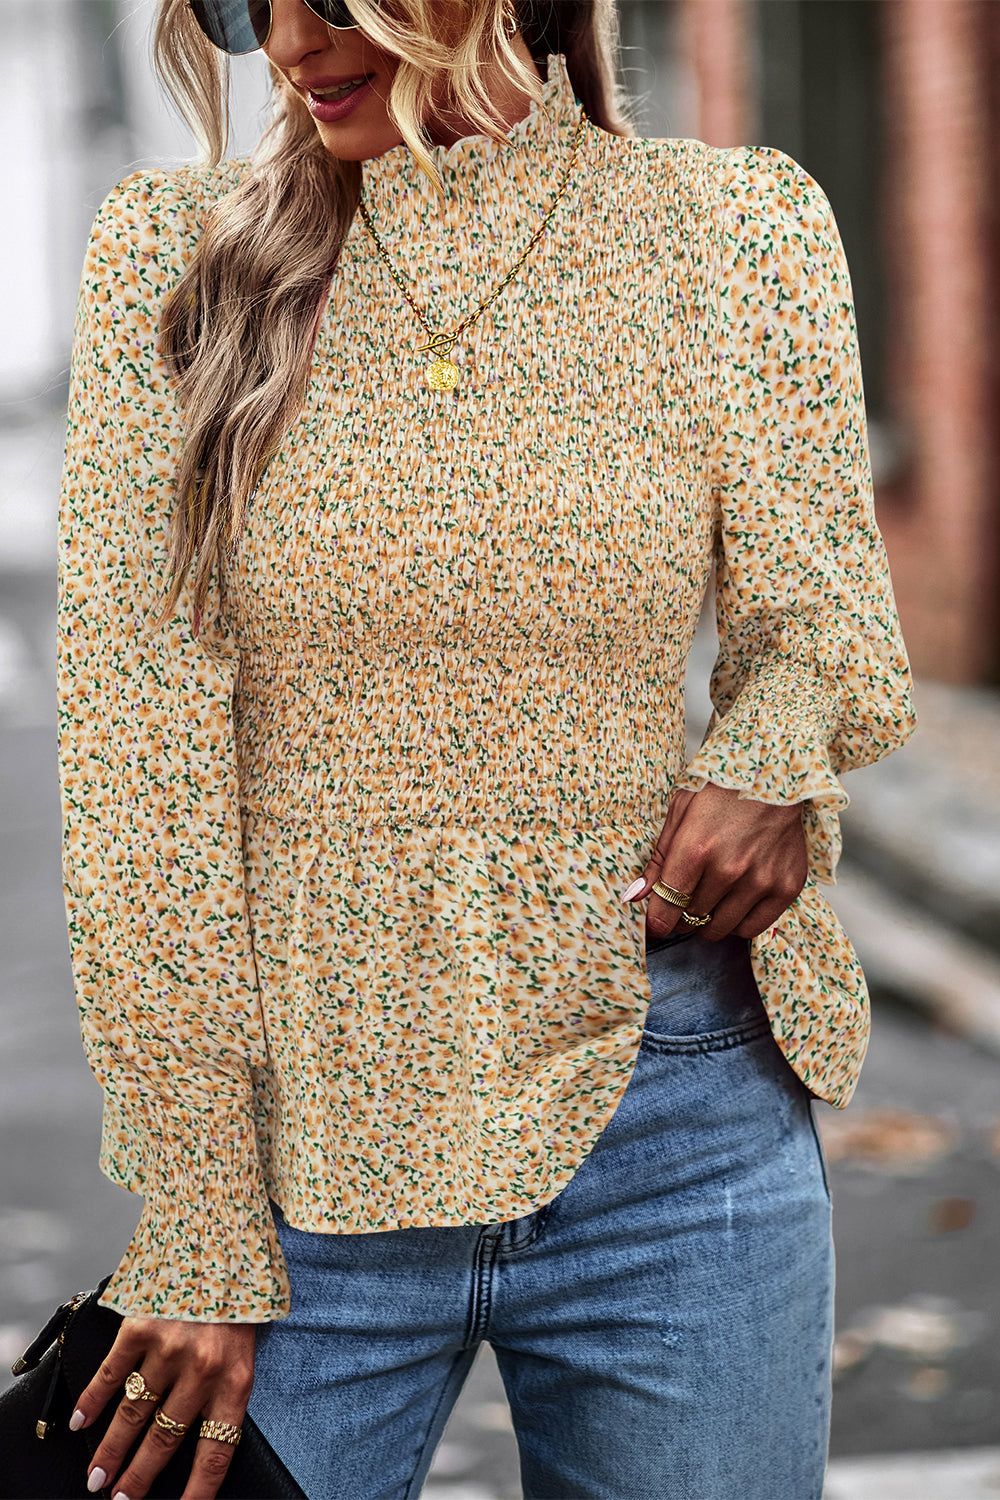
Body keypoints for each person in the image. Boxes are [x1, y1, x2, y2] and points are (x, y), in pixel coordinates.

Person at [56, 1, 915, 1497]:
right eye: (250, 3)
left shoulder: (732, 232)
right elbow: (137, 775)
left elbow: (826, 625)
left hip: (673, 1115)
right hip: (299, 1165)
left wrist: (769, 762)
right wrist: (199, 1218)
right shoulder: (175, 256)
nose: (290, 41)